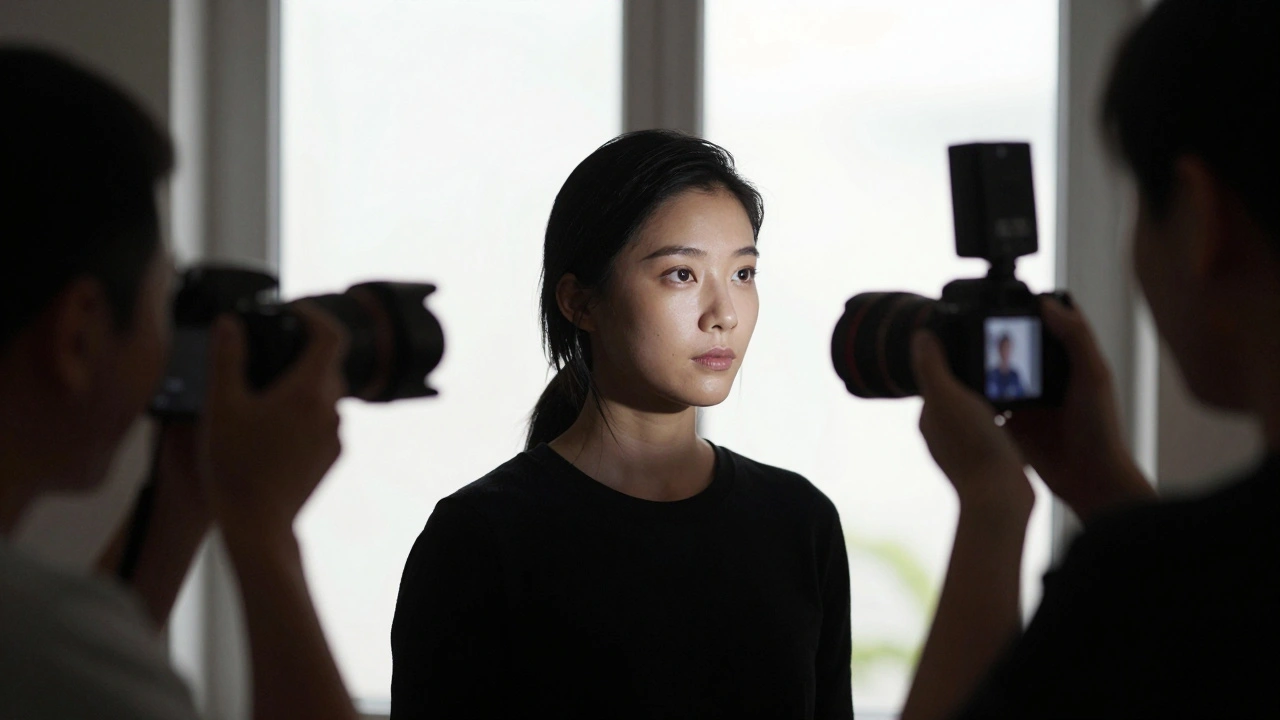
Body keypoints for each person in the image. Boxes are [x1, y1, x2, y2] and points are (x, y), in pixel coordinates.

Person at [899, 1, 1279, 718]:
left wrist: (994, 502)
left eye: (1138, 201)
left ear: (1200, 218)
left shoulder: (1130, 589)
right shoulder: (1177, 584)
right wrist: (1105, 487)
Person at [390, 130, 853, 719]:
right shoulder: (480, 538)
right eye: (681, 274)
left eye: (742, 274)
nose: (725, 315)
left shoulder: (800, 521)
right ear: (580, 302)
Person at [0, 47, 358, 720]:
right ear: (77, 334)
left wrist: (183, 495)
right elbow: (64, 659)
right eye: (164, 300)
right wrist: (260, 527)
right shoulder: (38, 643)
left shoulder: (43, 642)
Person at [984, 333, 1025, 400]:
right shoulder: (991, 375)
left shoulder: (1015, 376)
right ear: (999, 349)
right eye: (1003, 347)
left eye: (1008, 348)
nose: (1005, 351)